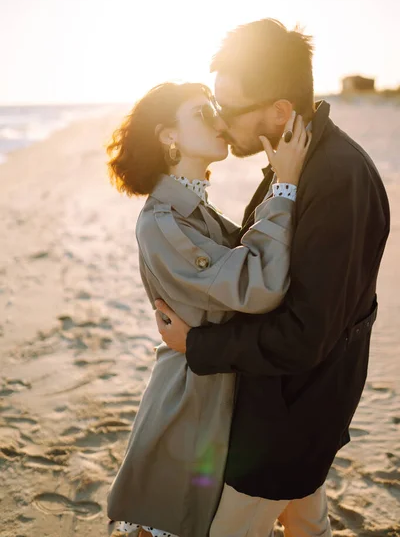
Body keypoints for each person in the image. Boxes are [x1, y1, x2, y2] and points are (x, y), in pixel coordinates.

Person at [155, 19, 391, 537]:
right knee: (308, 523)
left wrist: (198, 344)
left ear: (279, 111)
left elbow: (304, 335)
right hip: (298, 408)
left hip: (289, 416)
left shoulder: (334, 180)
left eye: (229, 110)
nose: (221, 123)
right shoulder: (297, 160)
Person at [105, 80, 310, 537]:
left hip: (218, 386)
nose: (219, 122)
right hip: (192, 403)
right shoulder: (163, 222)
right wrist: (287, 186)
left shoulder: (196, 210)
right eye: (201, 114)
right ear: (167, 136)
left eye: (215, 110)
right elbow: (259, 284)